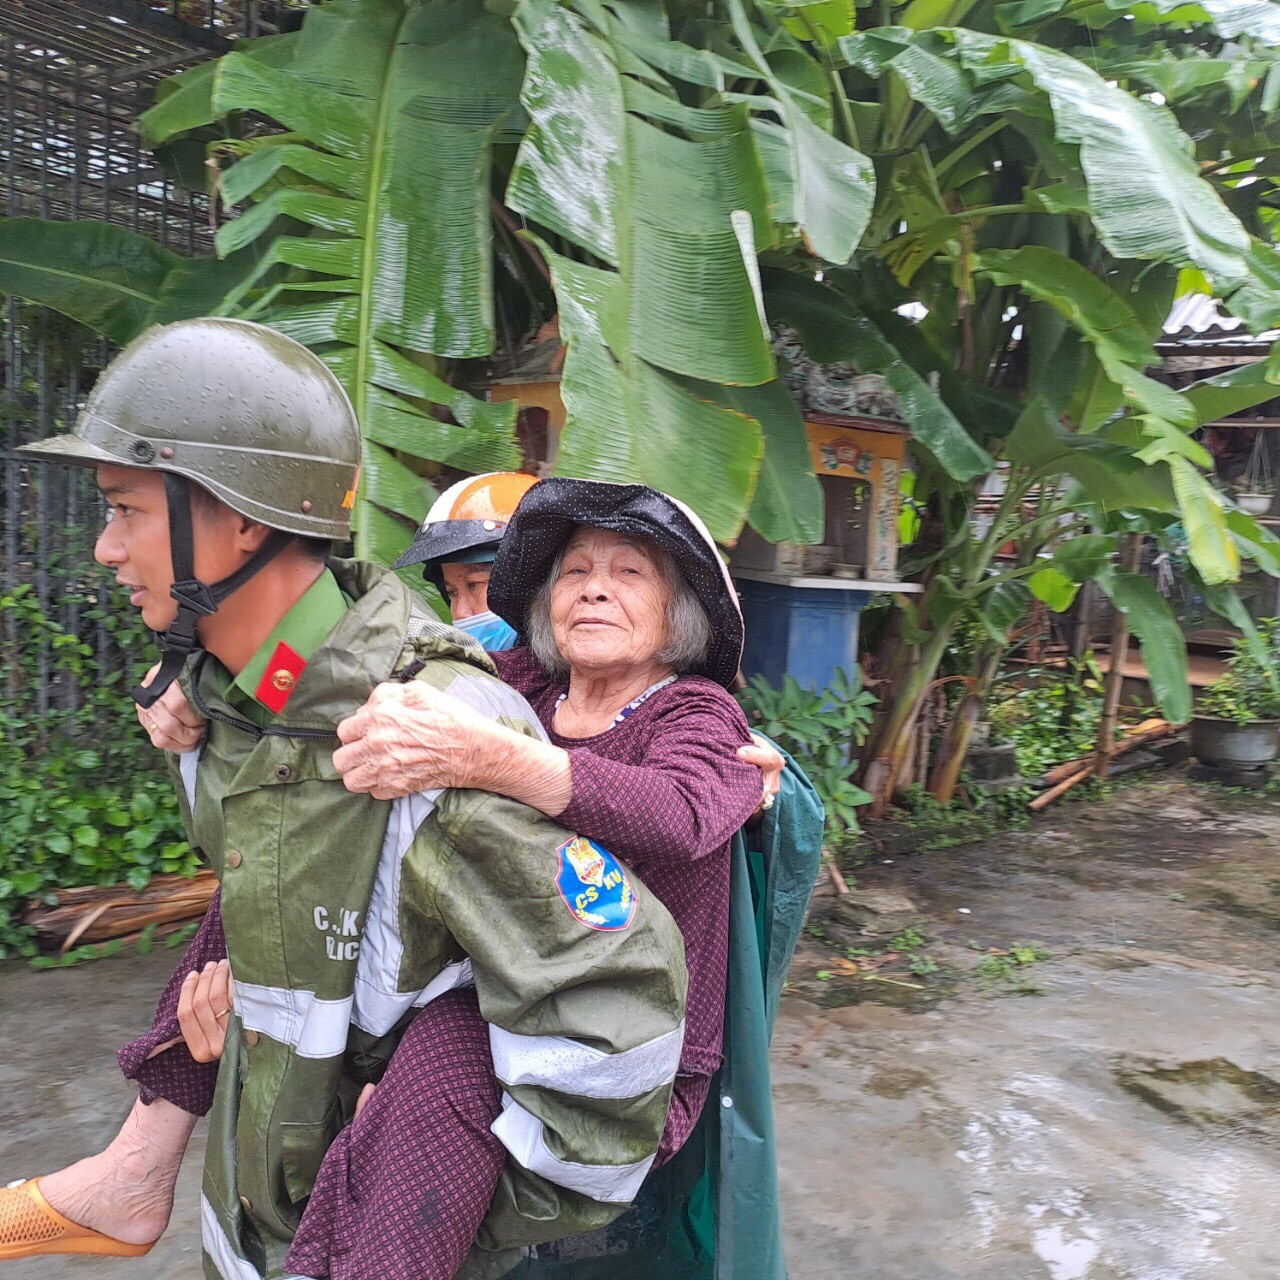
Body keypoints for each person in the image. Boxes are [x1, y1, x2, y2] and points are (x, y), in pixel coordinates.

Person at [0, 319, 689, 1280]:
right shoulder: (226, 711)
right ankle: (135, 1166)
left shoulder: (427, 740)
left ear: (241, 519)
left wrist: (438, 1177)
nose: (107, 550)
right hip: (246, 1217)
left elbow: (618, 1015)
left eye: (126, 510)